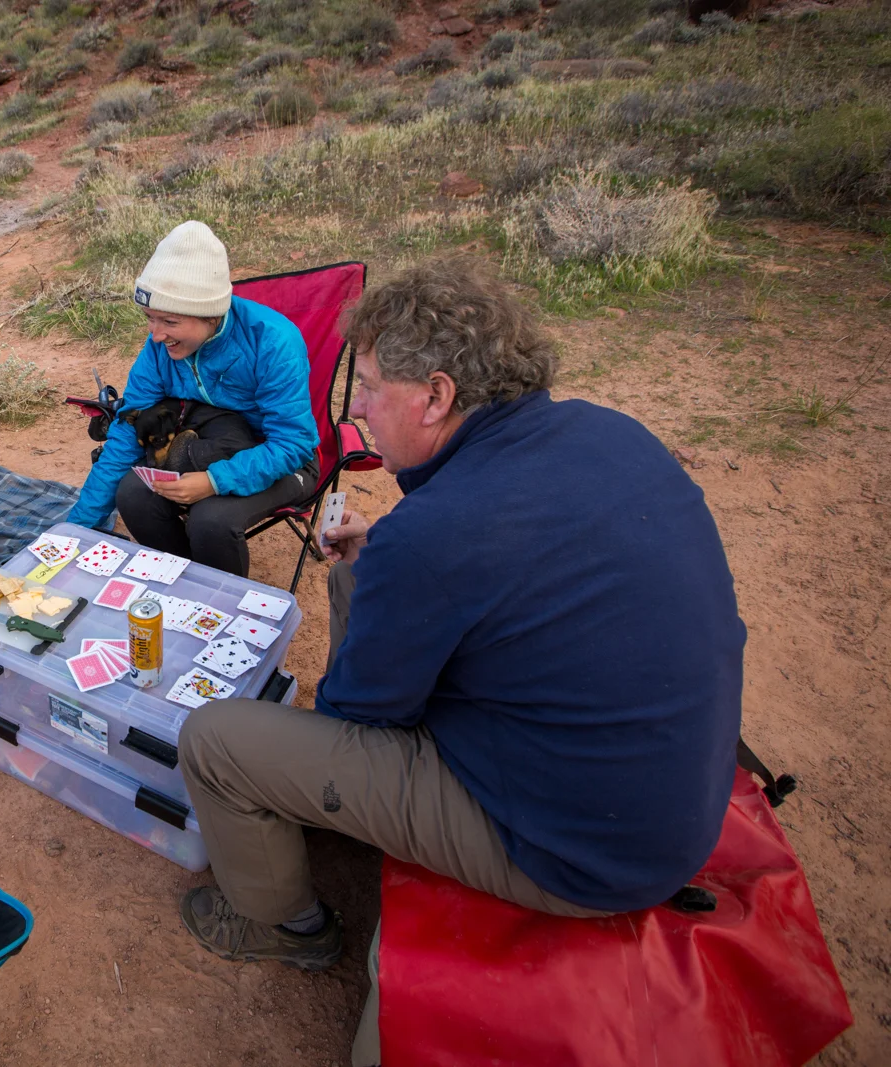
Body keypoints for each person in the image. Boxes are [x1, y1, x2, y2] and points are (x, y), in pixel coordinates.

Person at [173, 258, 744, 1065]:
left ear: (437, 395)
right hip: (656, 794)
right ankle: (329, 813)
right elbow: (523, 557)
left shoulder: (437, 535)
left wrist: (397, 574)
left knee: (216, 742)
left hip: (577, 851)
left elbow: (356, 714)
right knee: (355, 573)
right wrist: (389, 554)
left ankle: (281, 925)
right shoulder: (604, 431)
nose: (358, 408)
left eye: (369, 385)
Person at [64, 221, 318, 577]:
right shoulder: (160, 350)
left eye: (169, 320)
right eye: (149, 318)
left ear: (211, 315)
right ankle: (184, 583)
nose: (155, 336)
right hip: (203, 445)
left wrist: (215, 481)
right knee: (133, 494)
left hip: (279, 459)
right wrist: (76, 530)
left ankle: (222, 608)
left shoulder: (273, 341)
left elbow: (294, 443)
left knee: (211, 519)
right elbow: (126, 432)